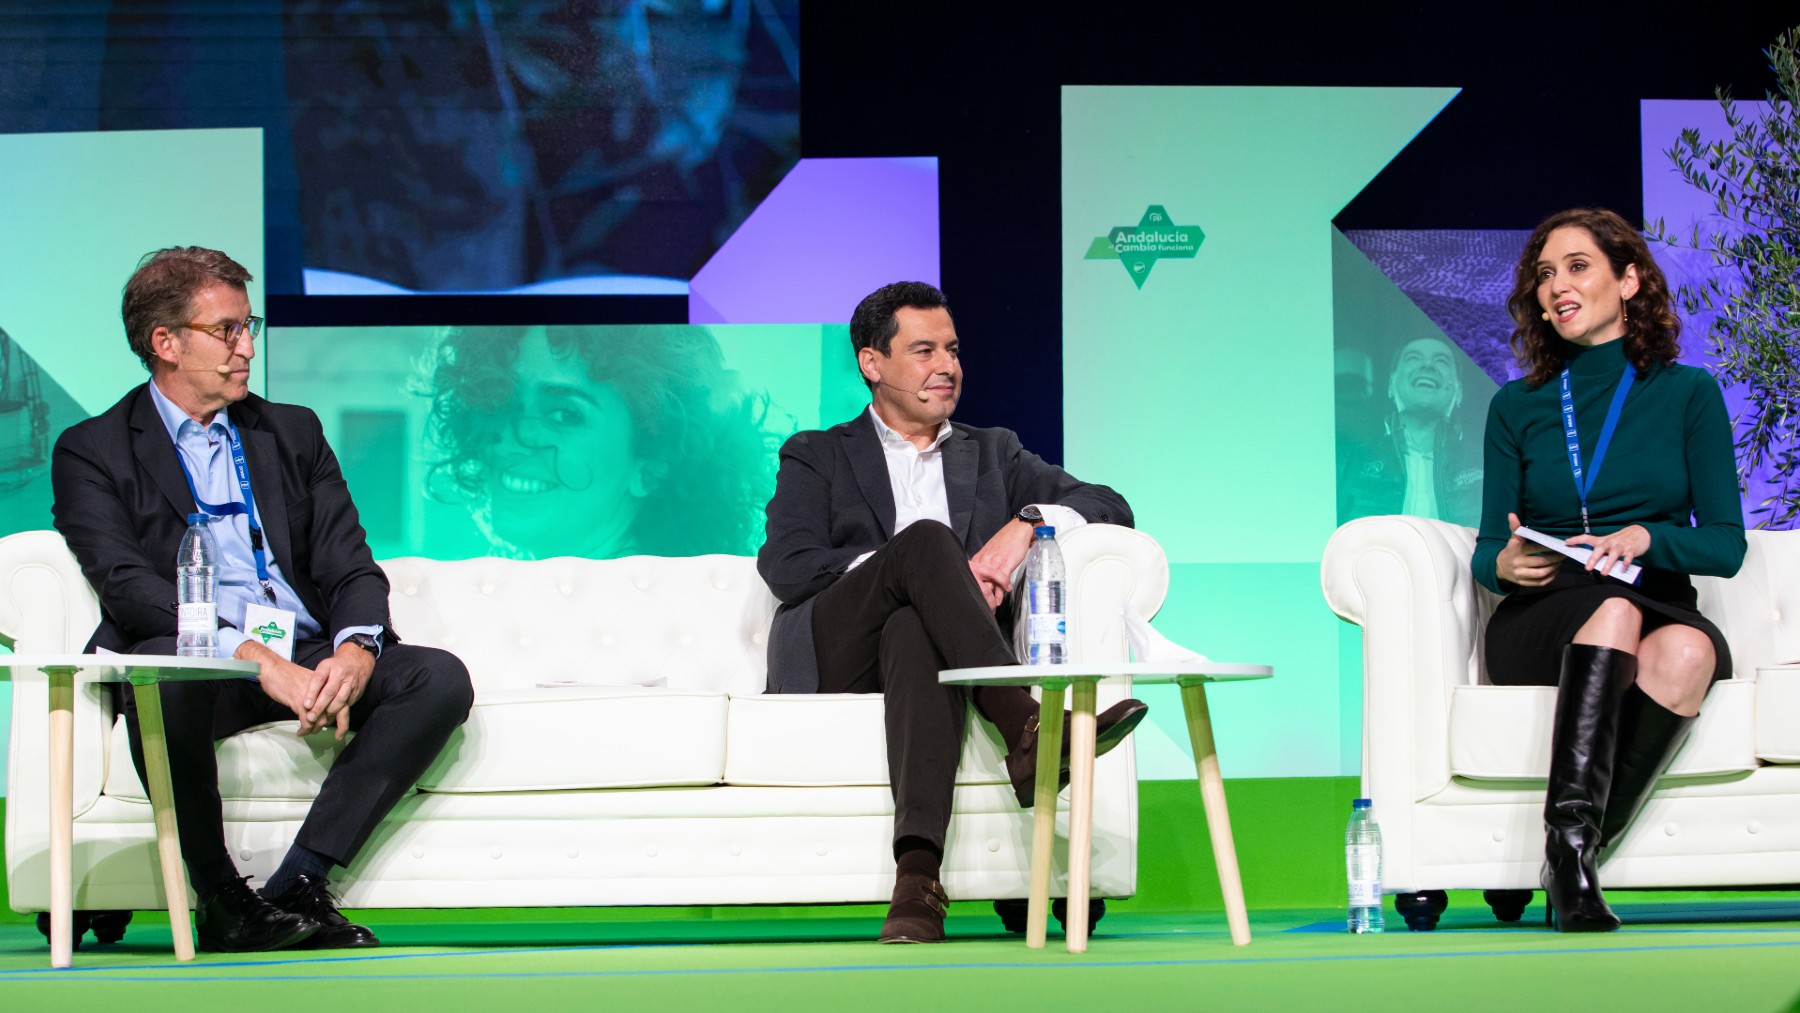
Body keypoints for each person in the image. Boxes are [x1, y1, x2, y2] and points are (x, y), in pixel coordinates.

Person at [50, 248, 474, 952]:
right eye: (227, 330)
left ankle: (297, 884)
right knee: (166, 675)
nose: (248, 346)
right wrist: (250, 656)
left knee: (436, 676)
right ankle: (218, 897)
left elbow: (351, 566)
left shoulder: (292, 430)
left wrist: (354, 648)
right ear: (166, 342)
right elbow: (129, 587)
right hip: (203, 659)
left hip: (303, 651)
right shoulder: (93, 449)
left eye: (251, 326)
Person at [757, 282, 1148, 943]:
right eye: (924, 349)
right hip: (836, 647)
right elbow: (788, 565)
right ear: (872, 363)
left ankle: (917, 885)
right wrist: (904, 571)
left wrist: (1027, 522)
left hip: (931, 655)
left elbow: (1111, 504)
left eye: (954, 349)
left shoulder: (993, 451)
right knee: (925, 545)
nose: (948, 365)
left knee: (915, 626)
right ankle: (1026, 726)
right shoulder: (817, 452)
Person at [1471, 209, 1745, 932]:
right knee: (1612, 612)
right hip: (1545, 615)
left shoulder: (1690, 394)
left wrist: (1646, 537)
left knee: (1690, 647)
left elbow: (1725, 545)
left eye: (1577, 266)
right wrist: (1503, 563)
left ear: (1629, 280)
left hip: (1651, 599)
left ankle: (1566, 854)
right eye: (1543, 274)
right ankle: (1568, 860)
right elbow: (1482, 553)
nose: (1556, 286)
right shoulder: (1516, 406)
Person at [421, 324, 773, 559]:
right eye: (500, 400)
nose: (510, 441)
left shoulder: (662, 616)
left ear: (652, 465)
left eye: (564, 414)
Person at [1337, 336, 1482, 526]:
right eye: (1413, 358)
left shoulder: (1486, 462)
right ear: (1391, 385)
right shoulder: (1352, 461)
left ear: (1459, 392)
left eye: (1441, 361)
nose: (1428, 365)